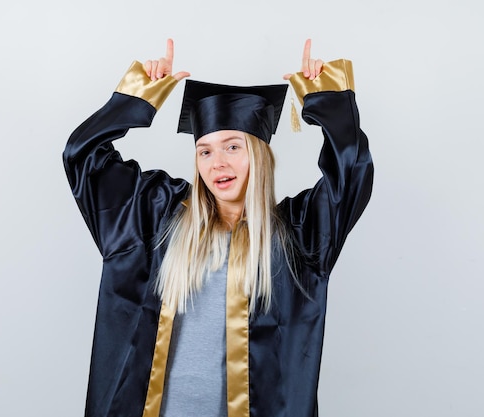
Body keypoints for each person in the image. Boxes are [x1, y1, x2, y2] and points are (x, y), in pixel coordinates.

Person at [63, 38, 373, 417]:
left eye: (233, 147)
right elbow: (83, 157)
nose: (217, 164)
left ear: (258, 154)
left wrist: (328, 102)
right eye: (205, 151)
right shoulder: (153, 219)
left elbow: (352, 174)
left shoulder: (297, 235)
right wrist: (136, 99)